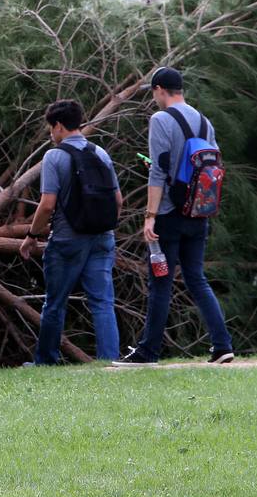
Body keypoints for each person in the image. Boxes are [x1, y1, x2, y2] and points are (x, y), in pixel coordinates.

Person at [115, 67, 235, 365]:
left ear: (159, 89)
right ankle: (222, 345)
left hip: (168, 215)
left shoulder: (160, 119)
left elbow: (158, 171)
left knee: (160, 283)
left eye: (153, 93)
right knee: (196, 278)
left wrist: (149, 216)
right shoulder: (204, 122)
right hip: (198, 212)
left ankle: (148, 352)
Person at [19, 100, 121, 364]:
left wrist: (32, 235)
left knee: (55, 303)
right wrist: (102, 226)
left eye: (50, 128)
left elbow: (47, 204)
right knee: (102, 302)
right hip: (102, 237)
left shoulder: (54, 157)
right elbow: (118, 200)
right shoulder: (100, 153)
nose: (50, 134)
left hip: (67, 239)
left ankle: (46, 360)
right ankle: (109, 361)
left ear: (59, 126)